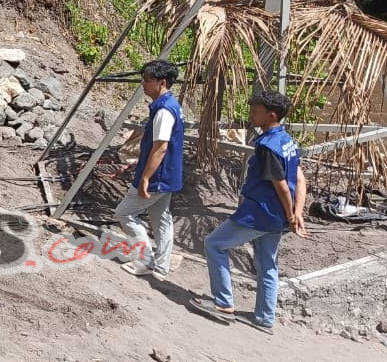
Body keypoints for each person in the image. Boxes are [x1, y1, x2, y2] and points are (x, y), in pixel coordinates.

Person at [191, 90, 310, 334]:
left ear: (271, 115)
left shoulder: (267, 146)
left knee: (214, 244)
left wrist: (291, 213)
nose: (251, 115)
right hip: (276, 217)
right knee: (267, 263)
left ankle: (223, 304)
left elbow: (281, 186)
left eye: (256, 111)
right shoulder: (287, 141)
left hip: (260, 212)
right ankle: (265, 317)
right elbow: (299, 179)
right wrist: (297, 213)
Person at [113, 60, 184, 279]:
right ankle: (161, 266)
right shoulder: (172, 104)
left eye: (147, 80)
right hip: (169, 173)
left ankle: (143, 260)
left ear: (162, 82)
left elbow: (160, 147)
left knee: (124, 213)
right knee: (161, 218)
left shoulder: (164, 110)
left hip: (157, 176)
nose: (143, 84)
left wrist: (145, 177)